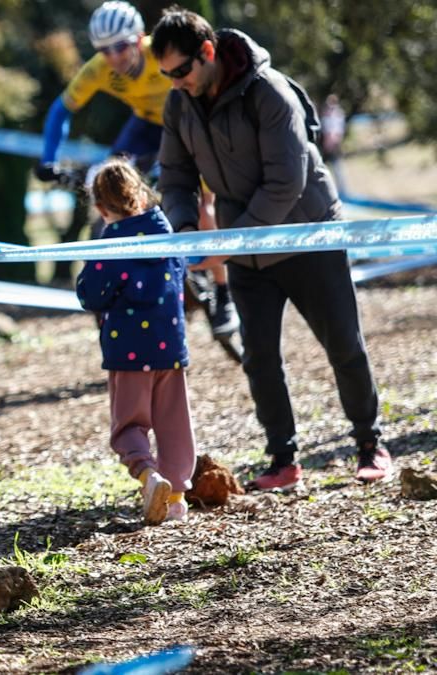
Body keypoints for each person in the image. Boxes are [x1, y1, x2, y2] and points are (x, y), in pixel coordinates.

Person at [150, 7, 390, 489]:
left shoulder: (270, 91)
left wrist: (233, 240)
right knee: (259, 357)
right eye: (166, 75)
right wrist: (184, 228)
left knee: (343, 344)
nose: (176, 82)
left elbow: (287, 182)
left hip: (308, 234)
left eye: (181, 70)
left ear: (209, 52)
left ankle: (371, 443)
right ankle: (283, 460)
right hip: (247, 248)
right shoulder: (179, 104)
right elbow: (175, 176)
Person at [35, 1, 237, 335]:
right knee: (109, 188)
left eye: (121, 46)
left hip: (185, 123)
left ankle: (223, 293)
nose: (114, 57)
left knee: (204, 204)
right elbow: (60, 111)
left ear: (140, 37)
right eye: (104, 50)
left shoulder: (160, 55)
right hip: (145, 127)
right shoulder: (99, 68)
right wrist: (48, 159)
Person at [77, 159, 196, 525]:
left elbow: (90, 295)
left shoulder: (111, 245)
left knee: (129, 426)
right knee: (174, 423)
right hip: (171, 347)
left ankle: (149, 476)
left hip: (127, 351)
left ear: (101, 208)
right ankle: (175, 498)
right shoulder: (167, 234)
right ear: (141, 193)